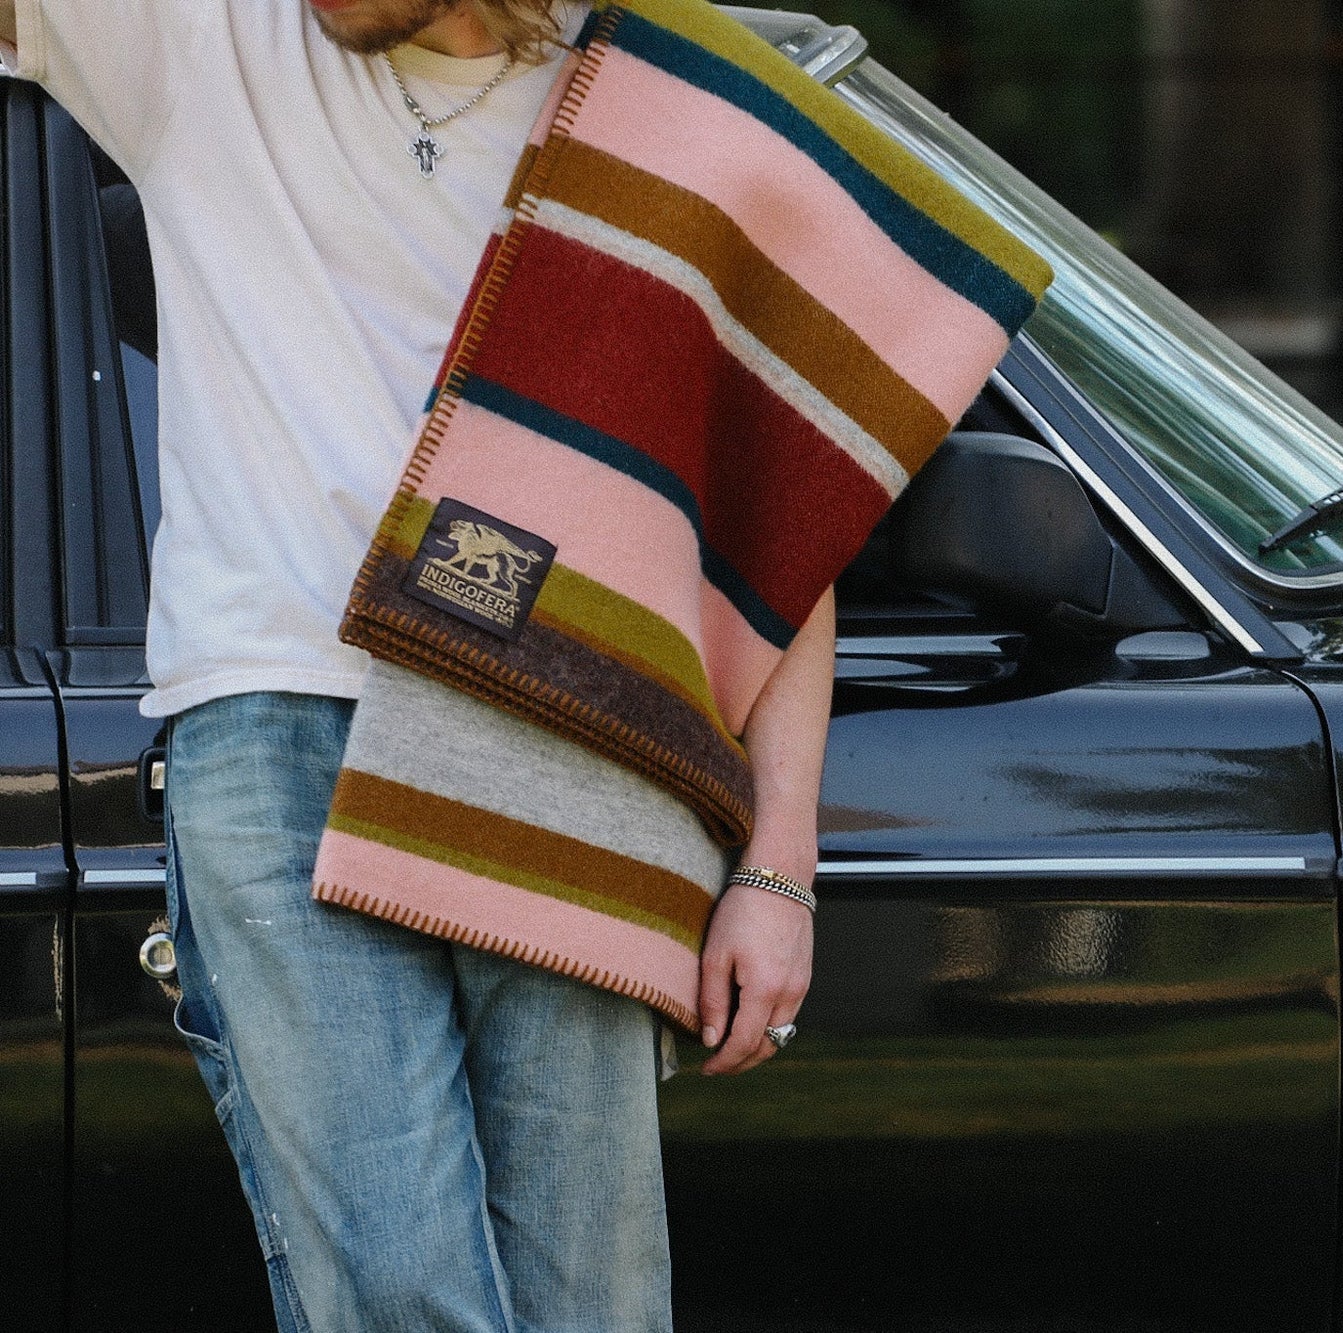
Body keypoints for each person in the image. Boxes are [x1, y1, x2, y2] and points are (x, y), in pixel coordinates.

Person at [0, 2, 826, 1328]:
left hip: (572, 731)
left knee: (594, 1306)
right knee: (397, 1293)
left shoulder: (657, 105)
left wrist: (778, 864)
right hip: (277, 734)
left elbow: (777, 513)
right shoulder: (198, 42)